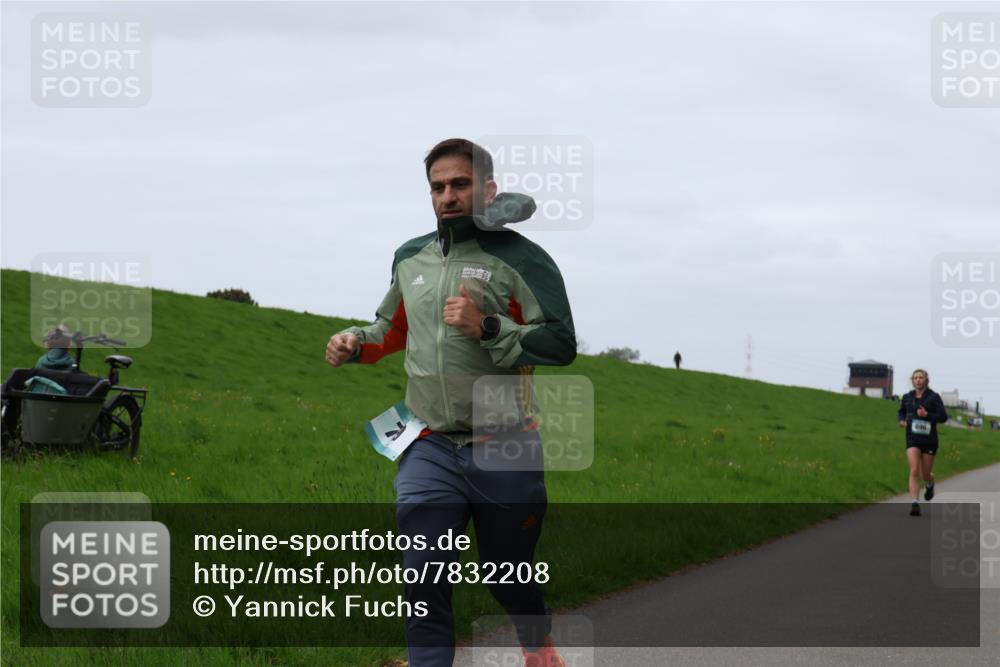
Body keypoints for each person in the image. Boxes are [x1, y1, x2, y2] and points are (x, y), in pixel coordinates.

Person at [326, 138, 576, 667]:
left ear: (487, 188)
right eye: (437, 187)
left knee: (507, 575)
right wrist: (354, 342)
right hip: (428, 444)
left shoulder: (523, 259)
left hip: (505, 445)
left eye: (459, 184)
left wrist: (487, 326)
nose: (447, 196)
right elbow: (389, 330)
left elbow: (560, 342)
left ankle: (536, 640)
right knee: (423, 578)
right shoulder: (410, 256)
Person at [897, 369, 948, 516]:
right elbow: (901, 411)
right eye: (915, 378)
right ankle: (915, 502)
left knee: (925, 474)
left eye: (920, 377)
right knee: (914, 469)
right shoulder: (907, 397)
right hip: (912, 437)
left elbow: (943, 417)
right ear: (912, 380)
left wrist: (927, 415)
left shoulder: (934, 397)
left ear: (926, 380)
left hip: (929, 440)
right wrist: (901, 420)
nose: (918, 380)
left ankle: (930, 483)